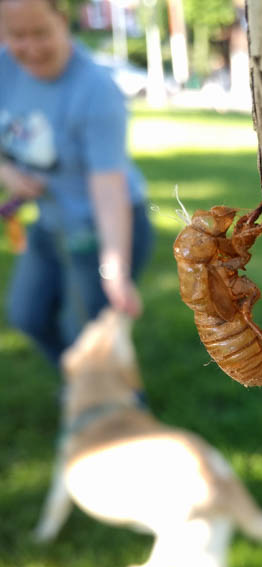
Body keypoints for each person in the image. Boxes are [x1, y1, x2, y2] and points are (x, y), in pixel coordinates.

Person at [0, 0, 153, 365]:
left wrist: (114, 268)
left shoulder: (97, 90)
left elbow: (108, 186)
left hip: (101, 227)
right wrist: (7, 172)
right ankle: (80, 390)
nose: (31, 48)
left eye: (40, 33)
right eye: (18, 35)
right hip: (50, 222)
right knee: (28, 316)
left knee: (92, 342)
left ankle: (117, 408)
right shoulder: (4, 69)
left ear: (62, 20)